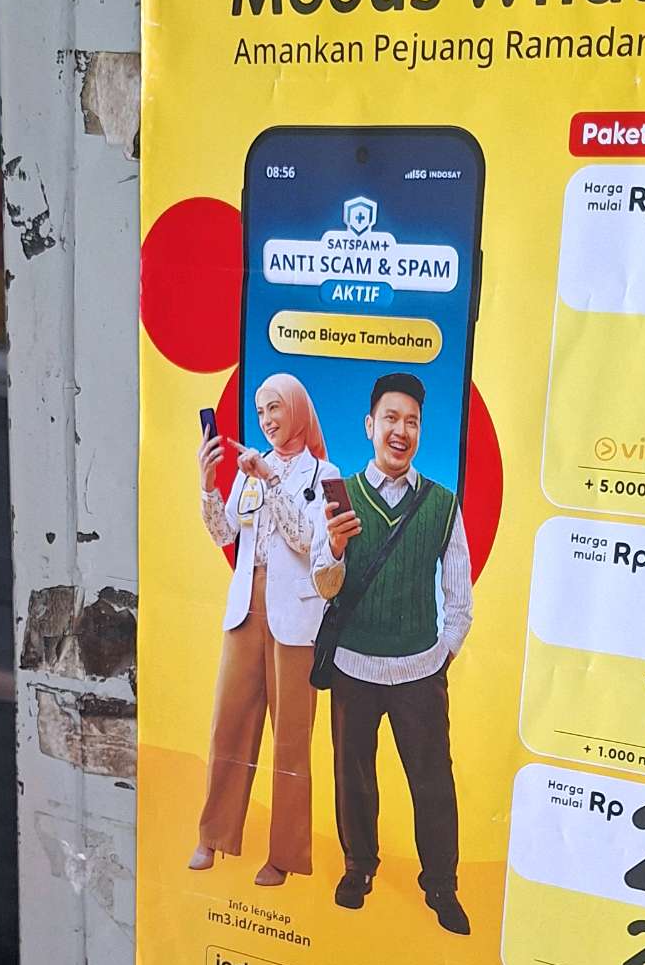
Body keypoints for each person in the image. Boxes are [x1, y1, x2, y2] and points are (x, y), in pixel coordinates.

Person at [319, 371, 473, 934]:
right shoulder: (339, 498)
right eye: (390, 418)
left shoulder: (442, 504)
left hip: (419, 671)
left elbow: (460, 595)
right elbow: (323, 585)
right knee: (353, 776)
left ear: (420, 430)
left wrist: (441, 654)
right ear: (369, 425)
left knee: (433, 782)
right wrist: (335, 546)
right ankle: (358, 867)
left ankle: (441, 885)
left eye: (411, 421)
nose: (400, 431)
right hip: (353, 666)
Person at [191, 373, 343, 886]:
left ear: (297, 409)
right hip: (246, 606)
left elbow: (306, 541)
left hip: (295, 617)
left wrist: (272, 481)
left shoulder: (324, 474)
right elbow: (223, 533)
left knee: (292, 739)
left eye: (274, 408)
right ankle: (213, 834)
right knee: (228, 723)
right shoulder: (250, 469)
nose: (266, 420)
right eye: (260, 412)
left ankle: (284, 855)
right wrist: (209, 485)